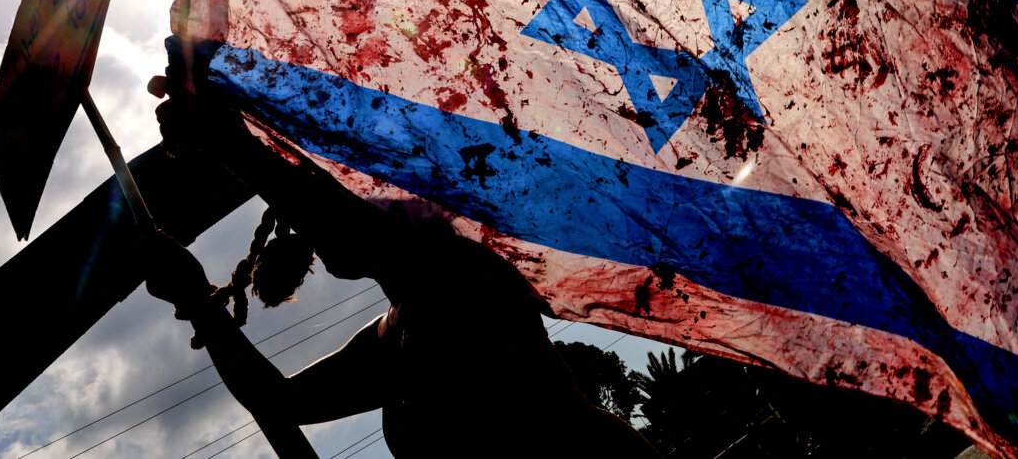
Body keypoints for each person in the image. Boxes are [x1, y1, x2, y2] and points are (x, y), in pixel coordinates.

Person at [143, 58, 661, 458]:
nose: (312, 231)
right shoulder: (405, 329)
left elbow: (338, 225)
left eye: (338, 198)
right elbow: (280, 404)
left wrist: (229, 144)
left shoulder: (467, 294)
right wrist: (199, 302)